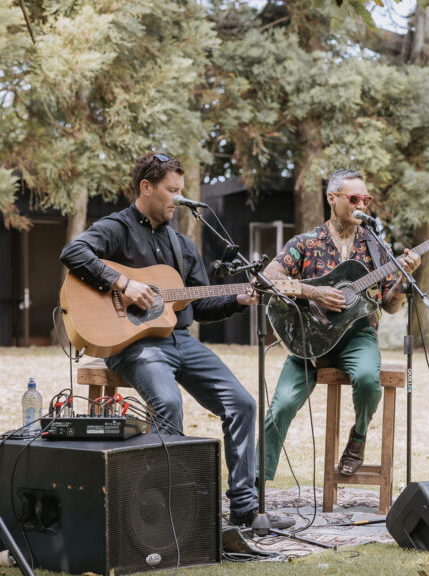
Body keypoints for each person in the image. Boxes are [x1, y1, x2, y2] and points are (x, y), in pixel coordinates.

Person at [60, 152, 292, 529]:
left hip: (180, 340)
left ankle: (245, 507)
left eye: (182, 191)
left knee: (243, 404)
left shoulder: (182, 244)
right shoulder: (116, 227)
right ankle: (167, 511)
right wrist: (124, 284)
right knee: (168, 402)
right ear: (146, 187)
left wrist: (238, 299)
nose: (178, 199)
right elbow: (73, 252)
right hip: (133, 344)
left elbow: (199, 305)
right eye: (171, 190)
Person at [261, 168, 421, 482]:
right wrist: (313, 291)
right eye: (354, 198)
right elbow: (268, 278)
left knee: (366, 378)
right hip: (309, 336)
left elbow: (388, 305)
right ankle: (256, 486)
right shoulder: (306, 242)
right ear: (332, 198)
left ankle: (358, 438)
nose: (362, 203)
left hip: (357, 335)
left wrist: (403, 279)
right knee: (279, 407)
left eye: (366, 198)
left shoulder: (375, 247)